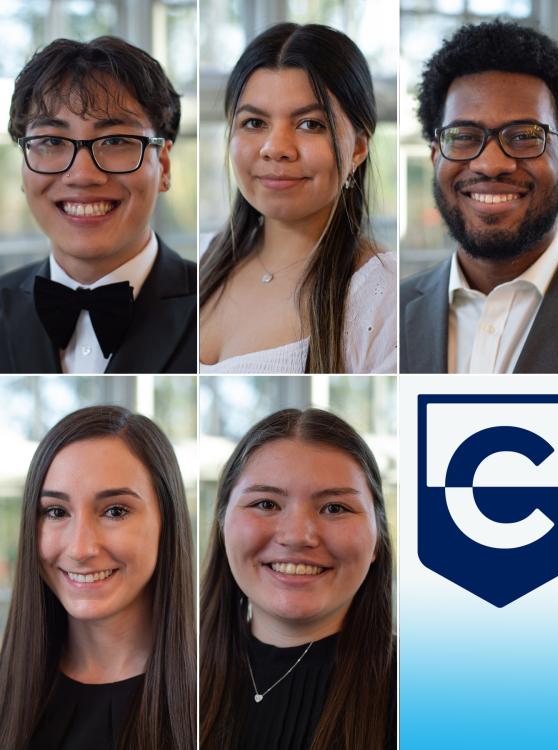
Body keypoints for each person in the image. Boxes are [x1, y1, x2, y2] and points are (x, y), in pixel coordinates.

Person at [400, 20, 558, 374]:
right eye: (463, 136)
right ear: (435, 159)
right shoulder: (389, 313)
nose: (491, 164)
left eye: (523, 136)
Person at [199, 23, 397, 374]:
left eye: (310, 124)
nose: (275, 148)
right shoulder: (197, 262)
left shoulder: (385, 296)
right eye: (254, 122)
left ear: (359, 148)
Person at [0, 405, 195, 749]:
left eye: (115, 511)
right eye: (56, 512)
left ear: (167, 521)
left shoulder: (217, 694)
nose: (80, 548)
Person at [200, 408, 394, 750]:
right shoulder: (166, 677)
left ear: (378, 537)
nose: (297, 536)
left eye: (334, 508)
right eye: (265, 504)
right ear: (221, 525)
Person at [2, 36, 196, 374]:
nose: (82, 174)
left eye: (116, 141)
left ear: (163, 166)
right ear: (24, 165)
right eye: (51, 141)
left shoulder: (217, 304)